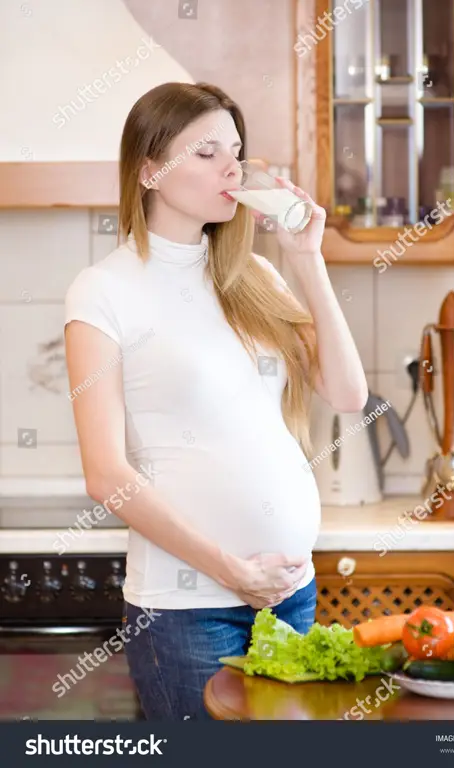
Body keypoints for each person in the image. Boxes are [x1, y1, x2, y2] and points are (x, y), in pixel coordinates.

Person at [64, 81, 368, 720]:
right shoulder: (103, 291)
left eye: (235, 151)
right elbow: (106, 476)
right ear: (150, 170)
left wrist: (306, 259)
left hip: (291, 595)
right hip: (187, 609)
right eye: (205, 152)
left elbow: (347, 393)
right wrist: (231, 569)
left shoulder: (253, 275)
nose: (231, 168)